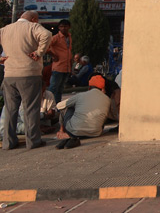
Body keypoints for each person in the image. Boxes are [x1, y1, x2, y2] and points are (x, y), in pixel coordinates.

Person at [0, 10, 52, 150]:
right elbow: (47, 34)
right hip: (29, 73)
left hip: (9, 75)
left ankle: (8, 143)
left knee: (10, 110)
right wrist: (39, 52)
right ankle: (33, 142)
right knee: (31, 109)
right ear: (34, 19)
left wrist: (1, 58)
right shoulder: (33, 27)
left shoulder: (5, 29)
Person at [56, 74, 111, 149]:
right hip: (95, 133)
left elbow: (59, 106)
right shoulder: (107, 99)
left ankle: (61, 132)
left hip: (74, 132)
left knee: (69, 106)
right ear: (102, 88)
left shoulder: (81, 95)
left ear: (89, 87)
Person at [48, 19, 71, 102]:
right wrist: (53, 55)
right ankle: (48, 106)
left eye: (65, 26)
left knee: (60, 89)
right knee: (53, 88)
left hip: (66, 67)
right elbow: (46, 46)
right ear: (59, 28)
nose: (63, 28)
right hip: (58, 67)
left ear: (69, 27)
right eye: (61, 27)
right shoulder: (56, 38)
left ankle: (57, 106)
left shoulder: (70, 37)